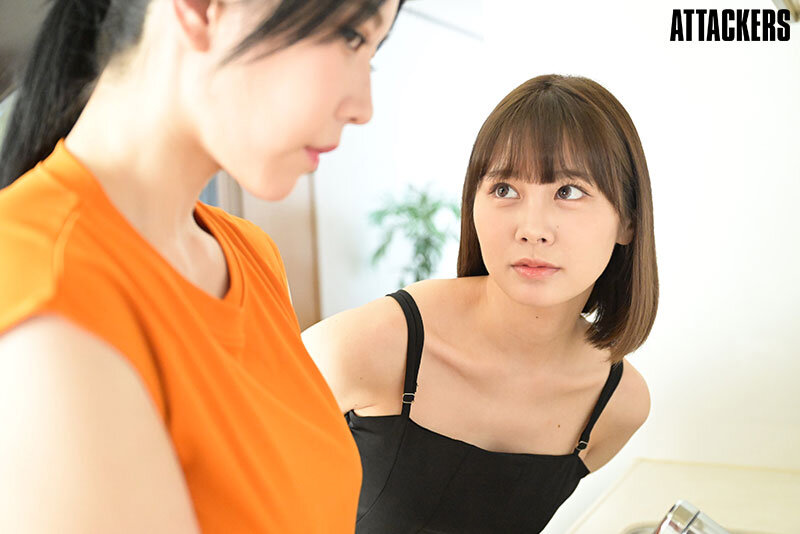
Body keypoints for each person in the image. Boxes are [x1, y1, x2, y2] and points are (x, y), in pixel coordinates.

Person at [0, 0, 403, 532]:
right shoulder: (46, 292)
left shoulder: (251, 255)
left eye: (372, 54)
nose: (363, 107)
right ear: (201, 9)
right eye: (351, 36)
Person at [303, 74, 659, 533]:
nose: (532, 229)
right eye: (505, 189)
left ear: (628, 221)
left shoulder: (617, 405)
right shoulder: (370, 344)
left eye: (568, 191)